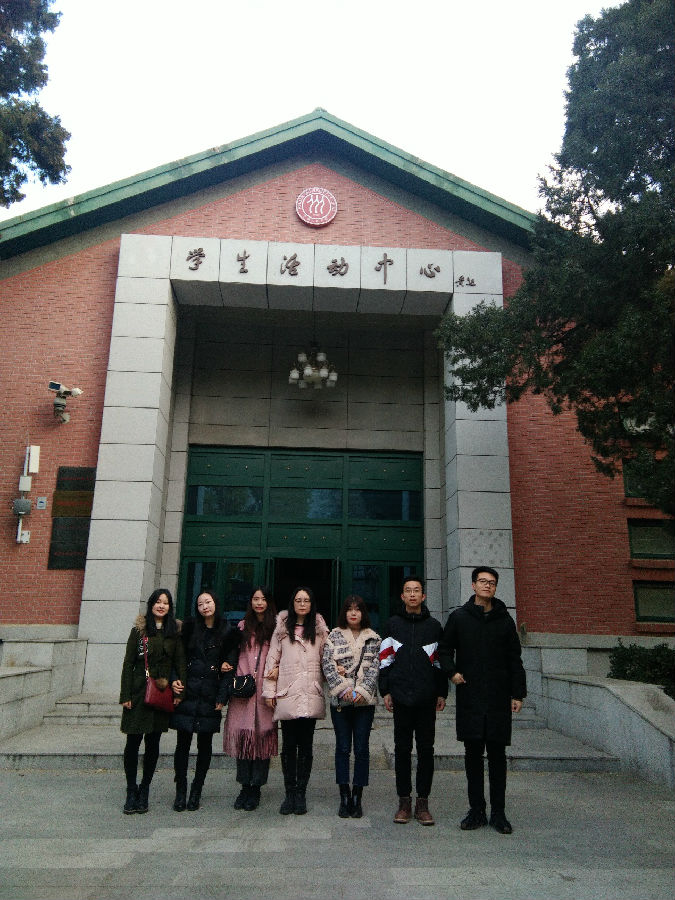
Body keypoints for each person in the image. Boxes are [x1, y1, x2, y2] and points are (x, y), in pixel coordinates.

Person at [438, 566, 527, 835]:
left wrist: (518, 693)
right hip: (471, 696)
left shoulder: (504, 620)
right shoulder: (459, 617)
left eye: (492, 582)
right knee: (473, 755)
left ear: (495, 588)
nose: (487, 586)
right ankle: (476, 810)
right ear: (473, 585)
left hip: (498, 697)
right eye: (483, 581)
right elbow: (444, 650)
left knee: (498, 756)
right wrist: (452, 673)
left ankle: (498, 813)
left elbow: (514, 658)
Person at [378, 576, 448, 826]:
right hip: (401, 697)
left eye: (416, 590)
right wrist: (385, 690)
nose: (412, 594)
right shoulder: (392, 625)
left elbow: (440, 662)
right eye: (408, 590)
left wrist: (442, 692)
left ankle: (423, 803)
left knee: (426, 750)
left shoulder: (434, 626)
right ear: (402, 596)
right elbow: (385, 660)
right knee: (402, 750)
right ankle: (404, 802)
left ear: (423, 596)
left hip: (427, 698)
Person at [169, 590, 239, 812]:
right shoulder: (189, 629)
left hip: (210, 695)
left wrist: (222, 697)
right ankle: (181, 790)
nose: (205, 607)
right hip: (188, 693)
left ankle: (196, 790)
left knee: (205, 746)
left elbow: (230, 667)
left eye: (208, 602)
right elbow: (177, 658)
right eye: (200, 604)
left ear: (215, 603)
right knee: (182, 745)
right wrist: (174, 681)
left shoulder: (227, 632)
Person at [119, 588, 186, 814]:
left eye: (165, 603)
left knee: (153, 743)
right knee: (133, 742)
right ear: (151, 604)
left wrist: (179, 692)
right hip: (138, 693)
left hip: (161, 694)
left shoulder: (173, 632)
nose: (161, 606)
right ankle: (131, 789)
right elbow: (128, 663)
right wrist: (125, 695)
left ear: (170, 607)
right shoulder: (139, 630)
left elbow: (179, 663)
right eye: (158, 602)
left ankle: (144, 788)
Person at [263, 586, 329, 815]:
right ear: (292, 603)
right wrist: (269, 691)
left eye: (306, 600)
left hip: (310, 693)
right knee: (289, 746)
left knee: (306, 746)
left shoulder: (319, 630)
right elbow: (272, 660)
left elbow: (328, 659)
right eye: (298, 600)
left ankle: (301, 793)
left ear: (312, 604)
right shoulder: (282, 629)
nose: (302, 604)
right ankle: (289, 793)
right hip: (288, 693)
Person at [321, 595, 381, 818]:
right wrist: (344, 689)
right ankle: (344, 794)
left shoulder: (374, 638)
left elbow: (375, 668)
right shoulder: (334, 636)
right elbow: (327, 665)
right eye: (349, 609)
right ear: (344, 613)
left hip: (364, 703)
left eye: (358, 609)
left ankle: (358, 795)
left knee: (362, 749)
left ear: (363, 613)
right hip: (340, 702)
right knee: (343, 748)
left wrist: (361, 691)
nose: (353, 613)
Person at [223, 586, 278, 811]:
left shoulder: (276, 628)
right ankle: (244, 786)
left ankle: (256, 787)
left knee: (262, 739)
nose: (259, 603)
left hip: (265, 690)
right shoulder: (242, 627)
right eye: (255, 599)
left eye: (263, 599)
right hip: (243, 689)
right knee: (244, 738)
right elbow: (232, 653)